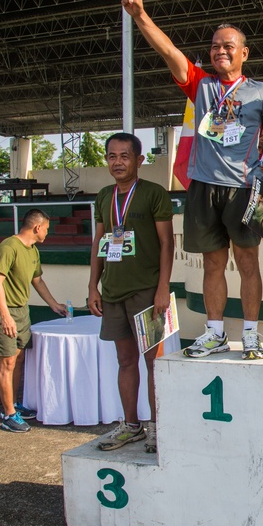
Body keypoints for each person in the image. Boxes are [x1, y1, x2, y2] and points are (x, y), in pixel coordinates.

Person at [122, 0, 263, 361]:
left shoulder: (261, 92)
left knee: (247, 262)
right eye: (215, 47)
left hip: (244, 188)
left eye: (228, 46)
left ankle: (250, 333)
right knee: (212, 263)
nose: (220, 52)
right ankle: (215, 333)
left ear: (244, 53)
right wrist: (140, 16)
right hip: (202, 186)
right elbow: (169, 52)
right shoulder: (201, 86)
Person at [88, 133, 174, 453]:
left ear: (139, 160)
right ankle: (131, 425)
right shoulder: (103, 196)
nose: (118, 162)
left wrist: (162, 288)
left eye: (125, 156)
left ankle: (157, 427)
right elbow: (99, 243)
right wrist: (92, 286)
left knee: (153, 362)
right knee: (125, 360)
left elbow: (168, 243)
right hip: (112, 292)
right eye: (112, 156)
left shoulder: (153, 193)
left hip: (147, 291)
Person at [0, 209, 65, 432]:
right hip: (4, 310)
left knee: (18, 359)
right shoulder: (8, 247)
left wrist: (54, 304)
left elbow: (37, 281)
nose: (47, 233)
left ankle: (14, 405)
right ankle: (8, 415)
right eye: (46, 229)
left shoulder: (33, 251)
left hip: (21, 310)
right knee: (7, 362)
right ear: (37, 227)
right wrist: (6, 316)